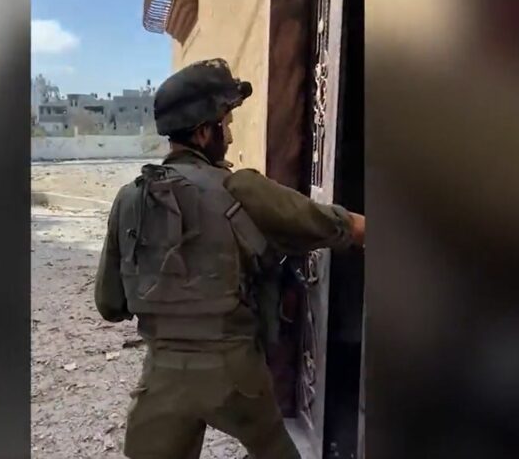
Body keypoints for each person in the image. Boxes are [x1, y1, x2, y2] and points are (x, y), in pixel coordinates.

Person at [94, 58, 365, 459]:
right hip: (236, 375)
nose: (231, 134)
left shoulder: (129, 199)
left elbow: (109, 305)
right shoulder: (242, 188)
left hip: (163, 377)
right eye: (226, 123)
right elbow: (327, 222)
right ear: (205, 132)